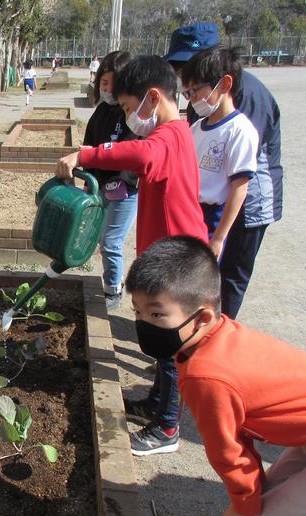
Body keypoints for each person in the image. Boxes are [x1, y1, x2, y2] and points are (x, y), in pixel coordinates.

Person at [125, 235, 306, 516]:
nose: (144, 323)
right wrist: (249, 500)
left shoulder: (208, 375)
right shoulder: (213, 337)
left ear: (201, 315)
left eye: (156, 315)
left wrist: (244, 507)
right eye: (138, 313)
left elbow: (229, 452)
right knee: (260, 513)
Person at [56, 55, 208, 456]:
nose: (127, 116)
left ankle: (168, 428)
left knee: (173, 344)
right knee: (164, 344)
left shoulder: (169, 136)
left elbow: (139, 155)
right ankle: (157, 404)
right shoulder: (175, 134)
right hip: (171, 256)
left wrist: (84, 155)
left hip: (179, 265)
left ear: (153, 98)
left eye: (128, 108)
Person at [165, 22, 283, 319]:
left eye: (186, 66)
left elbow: (239, 176)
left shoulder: (245, 104)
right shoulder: (200, 105)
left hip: (248, 202)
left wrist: (218, 235)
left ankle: (215, 341)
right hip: (211, 203)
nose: (182, 76)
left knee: (228, 278)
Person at [182, 47, 258, 260]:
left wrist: (218, 238)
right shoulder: (196, 127)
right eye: (188, 93)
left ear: (225, 84)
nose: (193, 99)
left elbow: (239, 188)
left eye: (195, 91)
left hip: (212, 219)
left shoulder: (239, 130)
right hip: (189, 212)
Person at [82, 50, 138, 310]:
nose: (108, 89)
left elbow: (132, 152)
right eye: (104, 83)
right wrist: (88, 180)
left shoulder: (131, 114)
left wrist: (123, 180)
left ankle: (113, 289)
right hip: (101, 187)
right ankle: (110, 285)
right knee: (101, 239)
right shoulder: (101, 111)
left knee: (112, 242)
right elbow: (89, 147)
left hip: (125, 191)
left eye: (113, 84)